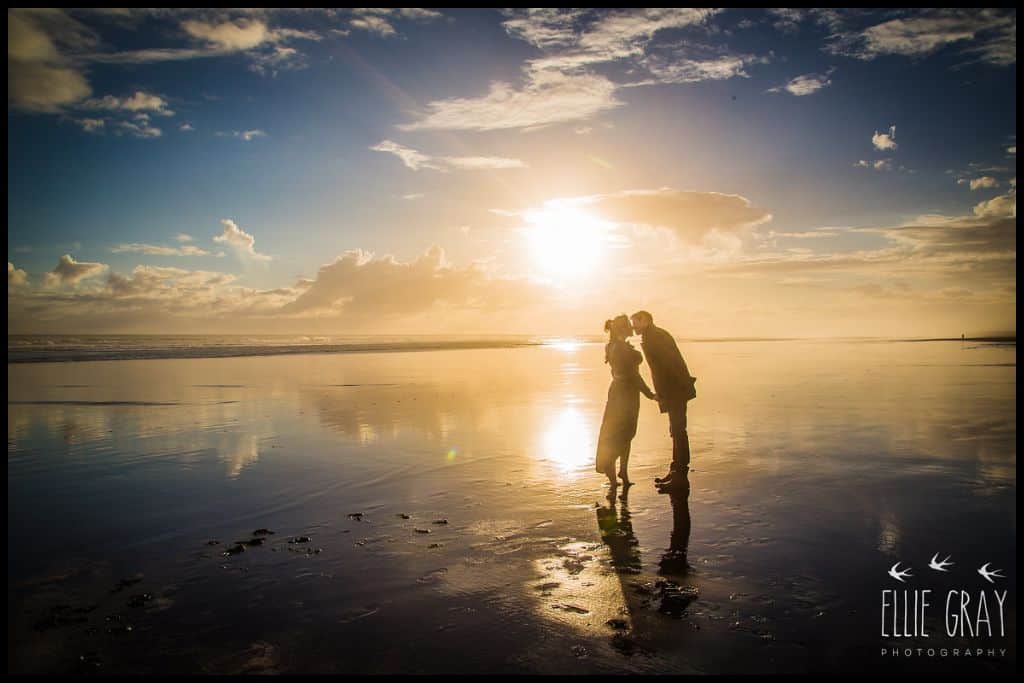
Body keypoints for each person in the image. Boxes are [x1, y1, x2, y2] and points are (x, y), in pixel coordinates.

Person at [629, 310, 696, 489]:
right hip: (674, 390)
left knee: (678, 431)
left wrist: (667, 394)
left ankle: (680, 476)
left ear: (645, 320)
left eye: (635, 322)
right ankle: (676, 471)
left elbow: (670, 366)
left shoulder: (655, 337)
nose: (633, 326)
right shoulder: (654, 335)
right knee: (676, 430)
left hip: (675, 391)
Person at [595, 314, 657, 496]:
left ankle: (619, 475)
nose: (631, 328)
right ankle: (617, 475)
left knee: (616, 434)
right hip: (627, 394)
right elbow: (634, 376)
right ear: (623, 329)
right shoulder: (623, 349)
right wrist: (650, 394)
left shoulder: (612, 346)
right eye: (628, 326)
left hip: (616, 392)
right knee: (623, 435)